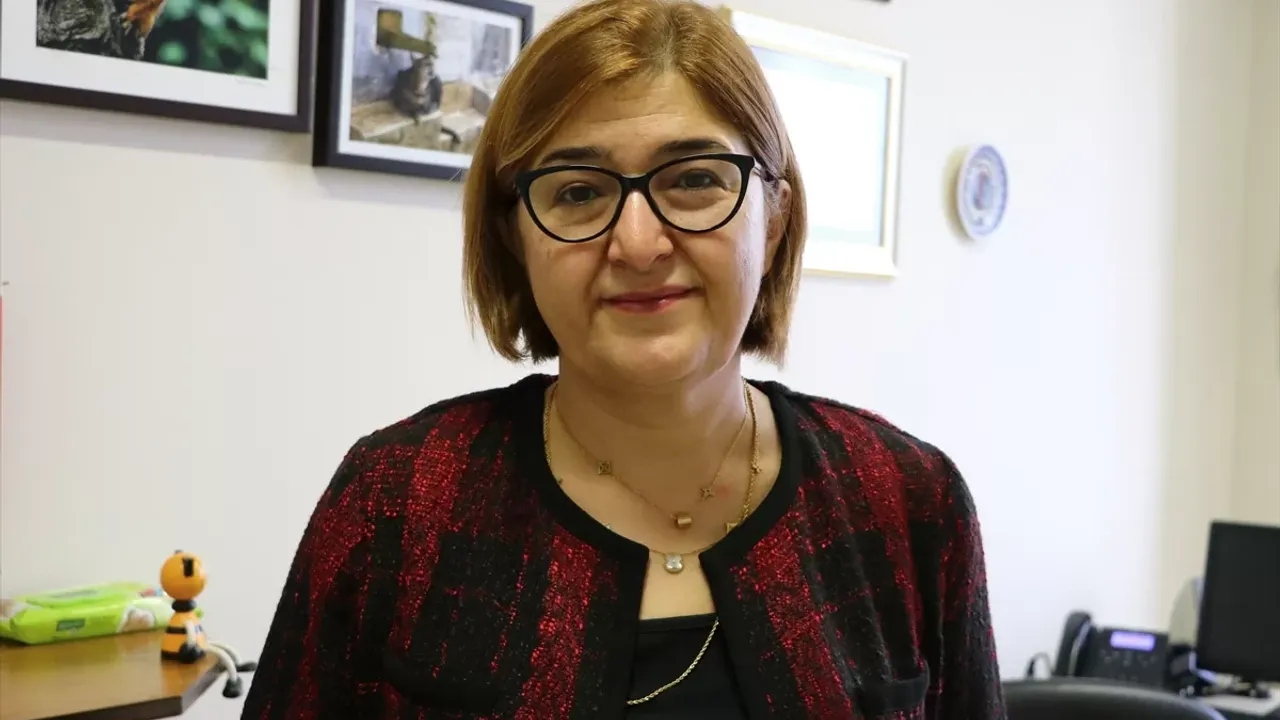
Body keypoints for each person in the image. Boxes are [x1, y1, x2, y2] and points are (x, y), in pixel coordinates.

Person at [241, 0, 1006, 717]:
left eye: (696, 180)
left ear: (773, 219)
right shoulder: (397, 501)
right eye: (578, 192)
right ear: (515, 237)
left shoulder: (909, 499)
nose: (638, 245)